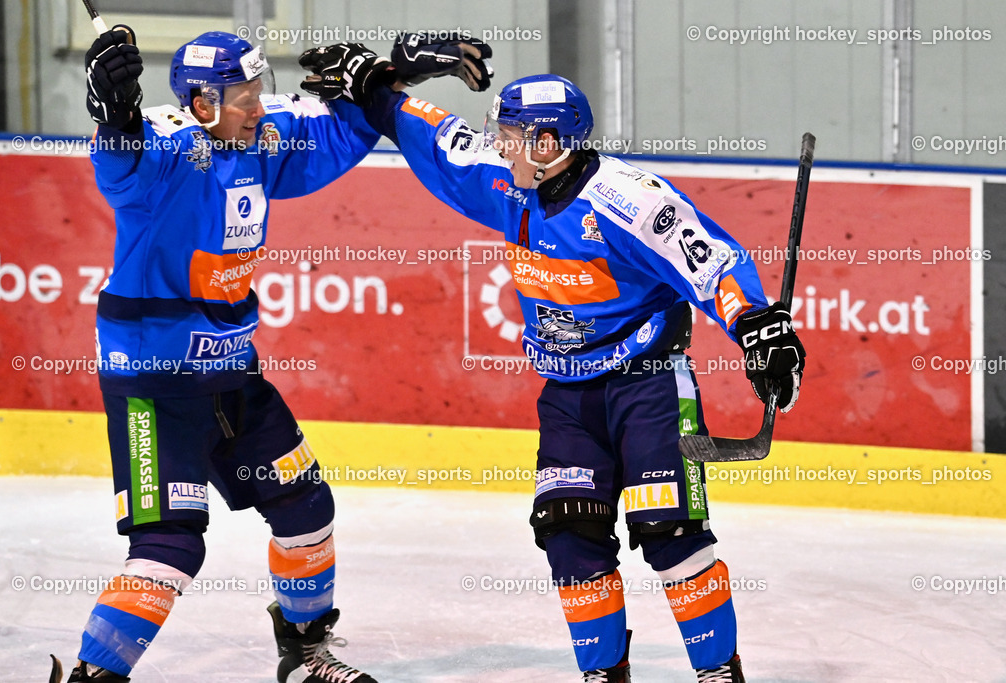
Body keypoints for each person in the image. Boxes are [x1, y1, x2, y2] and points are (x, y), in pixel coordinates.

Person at [299, 38, 805, 682]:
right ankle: (602, 674)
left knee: (670, 534)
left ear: (547, 144)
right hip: (567, 397)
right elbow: (435, 139)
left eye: (510, 134)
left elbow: (710, 260)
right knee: (568, 535)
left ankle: (716, 674)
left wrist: (757, 325)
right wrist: (377, 89)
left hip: (647, 387)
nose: (498, 144)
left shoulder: (631, 201)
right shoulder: (506, 185)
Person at [51, 27, 489, 683]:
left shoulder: (260, 139)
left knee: (305, 505)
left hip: (234, 371)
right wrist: (111, 116)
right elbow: (121, 163)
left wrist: (388, 79)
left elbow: (336, 137)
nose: (259, 106)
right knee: (169, 545)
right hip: (154, 381)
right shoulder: (168, 151)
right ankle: (94, 673)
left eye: (260, 90)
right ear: (201, 103)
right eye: (243, 96)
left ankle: (305, 652)